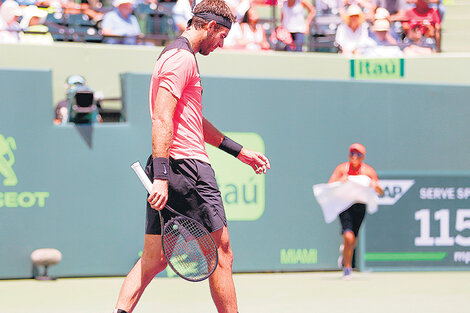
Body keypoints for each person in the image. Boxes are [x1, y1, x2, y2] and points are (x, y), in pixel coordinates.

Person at [113, 0, 270, 312]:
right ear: (210, 26)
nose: (222, 43)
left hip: (175, 166)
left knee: (154, 260)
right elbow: (161, 117)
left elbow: (193, 121)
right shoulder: (180, 59)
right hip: (187, 169)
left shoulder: (177, 57)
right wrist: (161, 177)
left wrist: (238, 152)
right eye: (222, 36)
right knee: (222, 253)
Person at [328, 143, 381, 279]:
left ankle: (345, 256)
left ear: (363, 157)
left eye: (358, 154)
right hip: (344, 205)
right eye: (352, 153)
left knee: (353, 240)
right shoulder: (342, 169)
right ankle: (347, 267)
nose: (355, 156)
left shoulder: (368, 171)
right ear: (349, 155)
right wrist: (341, 180)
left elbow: (380, 190)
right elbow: (330, 185)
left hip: (360, 207)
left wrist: (374, 185)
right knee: (348, 236)